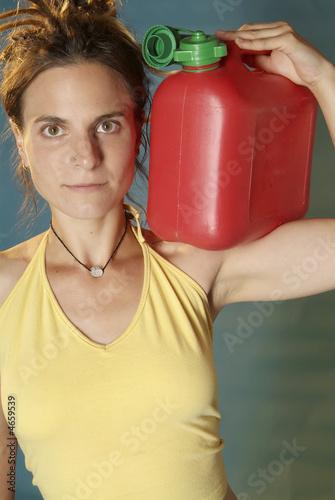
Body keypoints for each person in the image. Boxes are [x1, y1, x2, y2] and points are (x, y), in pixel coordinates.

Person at [0, 1, 334, 499]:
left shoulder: (196, 264)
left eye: (107, 124)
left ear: (139, 128)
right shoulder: (6, 290)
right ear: (21, 142)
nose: (84, 156)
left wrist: (321, 76)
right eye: (53, 128)